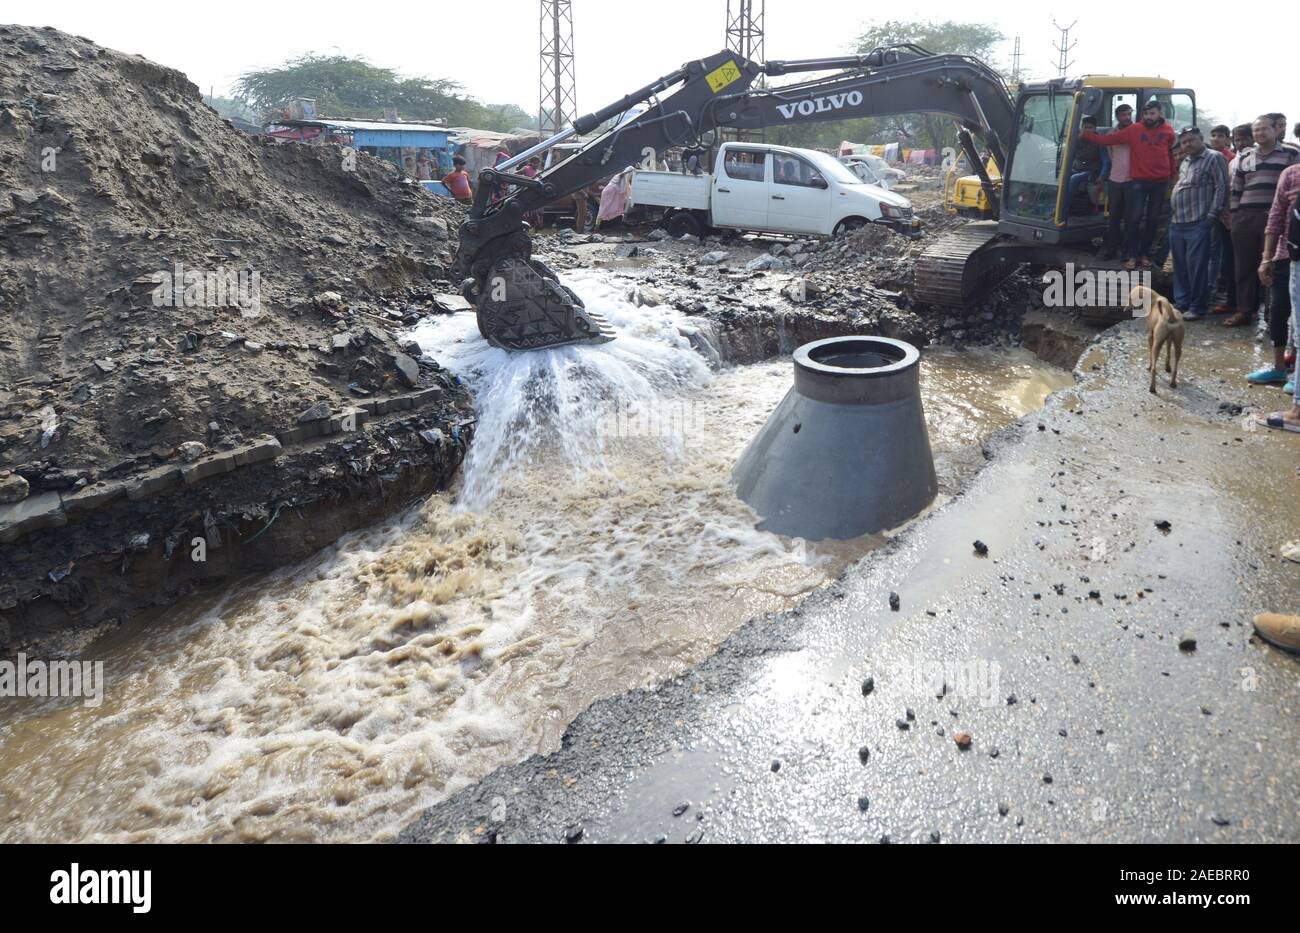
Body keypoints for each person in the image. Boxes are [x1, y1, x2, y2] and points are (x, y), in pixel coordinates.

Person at [1231, 116, 1300, 370]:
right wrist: (1235, 213)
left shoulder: (1290, 154)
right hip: (1246, 216)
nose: (1259, 133)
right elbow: (1237, 185)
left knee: (1275, 270)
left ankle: (1274, 318)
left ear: (1275, 130)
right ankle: (1244, 310)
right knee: (1245, 266)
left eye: (1264, 129)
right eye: (1256, 129)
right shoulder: (1247, 156)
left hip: (1278, 218)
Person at [1082, 101, 1177, 270]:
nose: (1149, 117)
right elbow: (1108, 139)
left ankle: (1145, 254)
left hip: (1161, 182)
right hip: (1138, 181)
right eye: (1146, 114)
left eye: (1153, 113)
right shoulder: (1134, 130)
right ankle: (1132, 255)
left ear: (1160, 114)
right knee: (1134, 219)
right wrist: (1087, 135)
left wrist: (1172, 175)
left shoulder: (1168, 130)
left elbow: (1169, 153)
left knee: (1152, 220)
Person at [1168, 128, 1228, 320]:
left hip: (1198, 221)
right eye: (1184, 142)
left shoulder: (1213, 157)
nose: (1187, 145)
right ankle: (1181, 303)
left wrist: (1212, 215)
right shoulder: (1185, 161)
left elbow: (1222, 186)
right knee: (1180, 266)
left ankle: (1197, 306)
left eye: (1191, 141)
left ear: (1201, 139)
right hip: (1178, 221)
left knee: (1197, 266)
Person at [1260, 159, 1300, 391]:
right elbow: (1275, 217)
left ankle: (1297, 375)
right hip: (1287, 253)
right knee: (1278, 310)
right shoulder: (1291, 174)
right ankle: (1278, 367)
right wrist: (1267, 258)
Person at [1207, 125, 1237, 312]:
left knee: (1216, 252)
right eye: (1213, 135)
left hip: (1222, 211)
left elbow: (1227, 188)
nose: (1216, 139)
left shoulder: (1230, 159)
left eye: (1220, 136)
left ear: (1227, 139)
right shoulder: (1205, 156)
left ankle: (1213, 290)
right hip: (1206, 209)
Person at [1099, 103, 1134, 260]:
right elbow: (1111, 154)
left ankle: (1126, 251)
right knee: (1113, 218)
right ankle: (1111, 250)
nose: (1127, 117)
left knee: (1130, 218)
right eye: (1123, 115)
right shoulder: (1112, 134)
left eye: (1128, 114)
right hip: (1115, 179)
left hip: (1133, 180)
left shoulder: (1137, 132)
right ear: (1118, 117)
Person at [1068, 116, 1102, 213]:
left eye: (1090, 127)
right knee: (1059, 175)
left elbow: (1088, 156)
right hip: (1077, 168)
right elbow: (1071, 154)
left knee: (1074, 178)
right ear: (1081, 128)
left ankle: (1065, 208)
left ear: (1095, 128)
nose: (1087, 129)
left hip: (1092, 171)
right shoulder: (1077, 139)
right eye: (1085, 127)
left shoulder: (1099, 141)